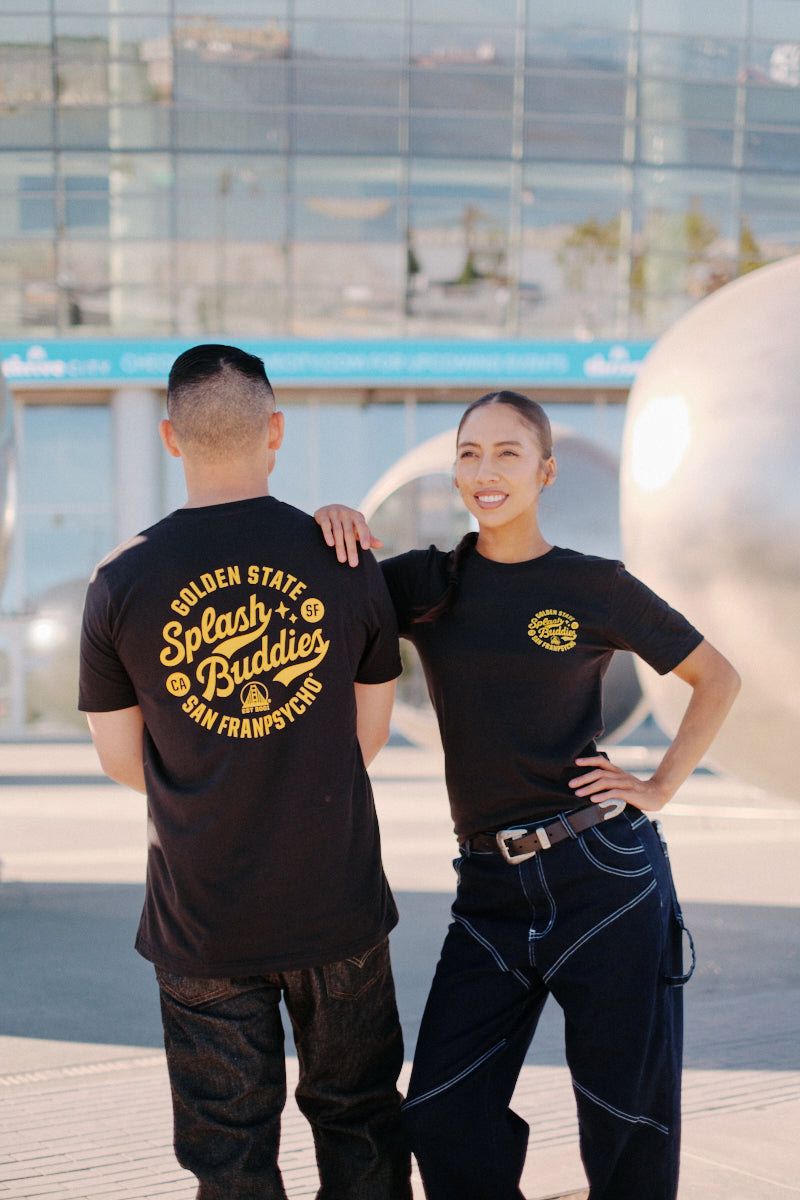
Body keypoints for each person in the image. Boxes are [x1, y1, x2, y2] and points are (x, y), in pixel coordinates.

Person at [314, 389, 740, 1200]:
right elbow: (324, 584)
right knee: (439, 1113)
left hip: (603, 878)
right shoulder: (424, 585)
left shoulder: (595, 586)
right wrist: (331, 518)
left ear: (544, 472)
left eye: (508, 453)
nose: (486, 470)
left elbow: (715, 676)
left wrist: (658, 786)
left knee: (627, 1123)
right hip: (490, 892)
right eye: (469, 454)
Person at [78, 344, 411, 1200]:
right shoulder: (344, 556)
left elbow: (122, 761)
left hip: (202, 920)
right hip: (336, 905)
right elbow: (367, 736)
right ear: (276, 430)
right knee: (361, 1121)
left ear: (168, 437)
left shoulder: (119, 580)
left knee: (229, 1155)